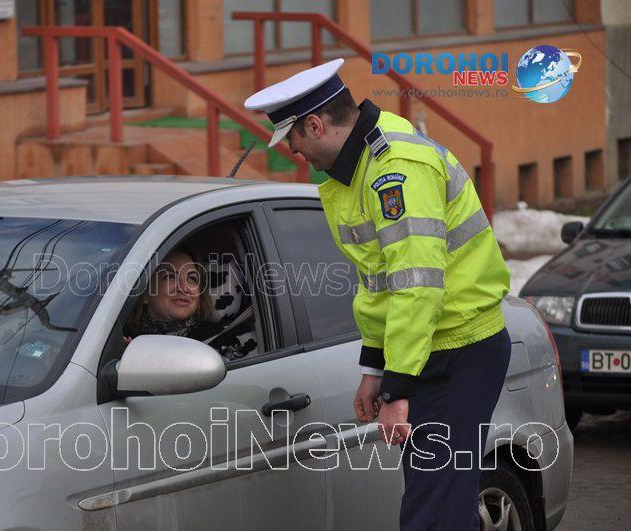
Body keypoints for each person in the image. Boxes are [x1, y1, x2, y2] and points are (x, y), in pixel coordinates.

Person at [245, 58, 511, 530]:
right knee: (441, 506)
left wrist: (397, 389)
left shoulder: (396, 170)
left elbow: (416, 287)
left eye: (293, 138)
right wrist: (375, 368)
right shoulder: (357, 168)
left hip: (459, 349)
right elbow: (377, 282)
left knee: (433, 514)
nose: (294, 151)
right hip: (428, 348)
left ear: (315, 124)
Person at [124, 246, 257, 361]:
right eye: (170, 276)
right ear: (145, 294)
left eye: (191, 279)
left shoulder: (226, 340)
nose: (184, 288)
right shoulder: (119, 340)